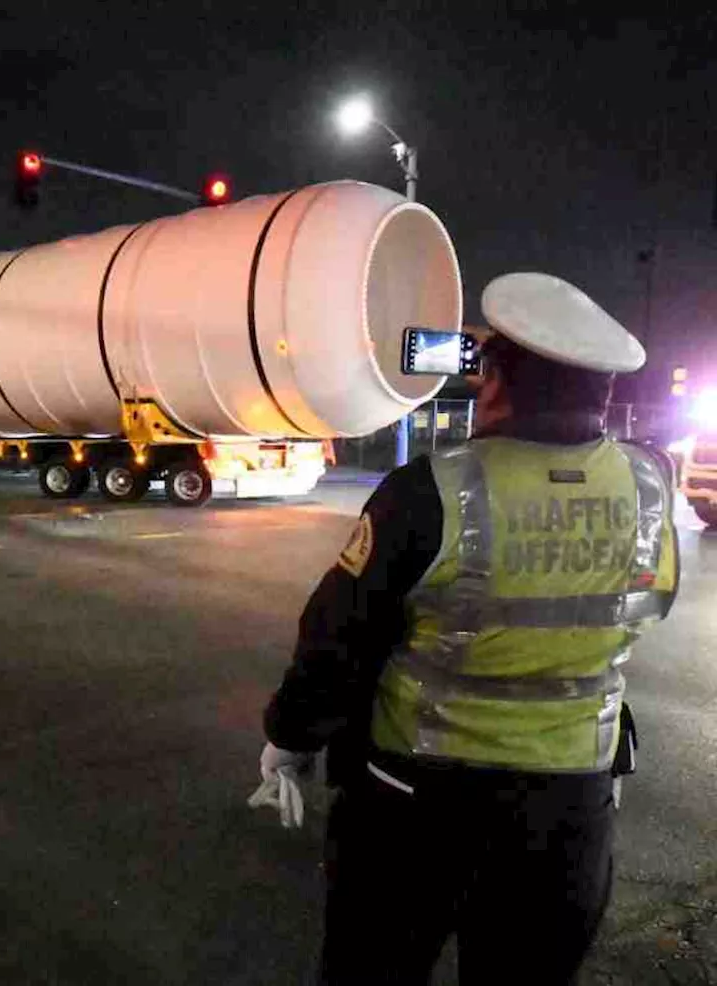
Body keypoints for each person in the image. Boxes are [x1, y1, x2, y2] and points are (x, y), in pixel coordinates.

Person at [260, 272, 680, 985]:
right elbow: (647, 602)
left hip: (415, 812)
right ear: (602, 394)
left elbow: (337, 641)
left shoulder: (432, 491)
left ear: (497, 384)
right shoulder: (648, 485)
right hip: (570, 812)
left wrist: (290, 739)